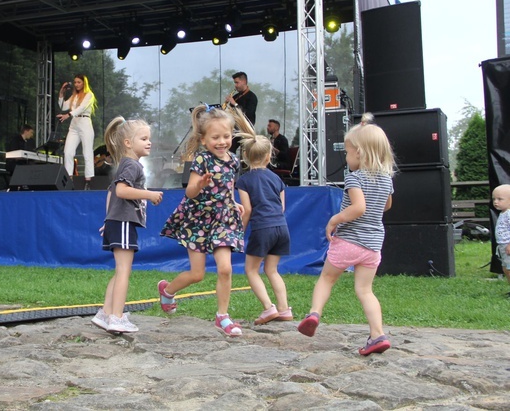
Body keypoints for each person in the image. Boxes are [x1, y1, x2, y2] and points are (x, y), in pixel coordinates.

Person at [297, 113, 395, 356]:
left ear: (359, 153)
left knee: (327, 278)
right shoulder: (386, 179)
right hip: (372, 245)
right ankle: (377, 334)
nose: (347, 157)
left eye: (348, 153)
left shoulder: (354, 177)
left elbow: (358, 207)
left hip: (349, 240)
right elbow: (386, 206)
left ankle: (314, 313)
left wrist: (335, 219)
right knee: (365, 290)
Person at [159, 104, 245, 337]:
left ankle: (223, 317)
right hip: (198, 219)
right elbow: (189, 193)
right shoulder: (202, 160)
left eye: (226, 136)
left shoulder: (234, 160)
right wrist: (200, 184)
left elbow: (229, 184)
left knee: (225, 268)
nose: (222, 141)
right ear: (204, 140)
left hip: (223, 219)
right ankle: (167, 291)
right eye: (215, 137)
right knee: (197, 275)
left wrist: (232, 200)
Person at [91, 116, 164, 334]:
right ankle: (117, 317)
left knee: (120, 269)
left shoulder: (126, 164)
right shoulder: (132, 166)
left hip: (118, 221)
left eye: (149, 138)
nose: (149, 142)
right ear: (128, 143)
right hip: (123, 221)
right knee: (124, 270)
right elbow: (121, 190)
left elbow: (112, 191)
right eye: (144, 138)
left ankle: (106, 313)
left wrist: (108, 218)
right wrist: (149, 194)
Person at [233, 110, 293, 325]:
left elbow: (246, 210)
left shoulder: (244, 181)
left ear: (245, 158)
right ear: (269, 156)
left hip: (262, 229)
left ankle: (269, 308)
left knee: (251, 269)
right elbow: (282, 207)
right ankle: (284, 309)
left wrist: (239, 231)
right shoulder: (277, 180)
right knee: (272, 269)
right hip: (281, 228)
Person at [57, 74, 97, 188]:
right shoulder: (74, 96)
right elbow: (63, 106)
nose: (76, 84)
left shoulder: (89, 95)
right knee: (68, 152)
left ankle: (88, 180)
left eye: (79, 82)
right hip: (74, 124)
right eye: (75, 82)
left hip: (85, 123)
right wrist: (62, 92)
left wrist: (68, 115)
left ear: (84, 83)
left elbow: (82, 108)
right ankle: (69, 177)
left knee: (87, 152)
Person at [224, 71, 258, 153]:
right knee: (228, 148)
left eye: (237, 82)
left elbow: (249, 114)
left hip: (245, 129)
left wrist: (235, 104)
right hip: (235, 128)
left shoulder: (252, 97)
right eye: (234, 83)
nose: (235, 85)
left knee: (242, 151)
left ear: (244, 82)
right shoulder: (236, 96)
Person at [492, 184, 510, 295]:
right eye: (494, 199)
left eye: (500, 199)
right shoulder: (503, 213)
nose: (495, 202)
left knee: (508, 269)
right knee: (505, 268)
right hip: (502, 246)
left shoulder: (509, 214)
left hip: (507, 246)